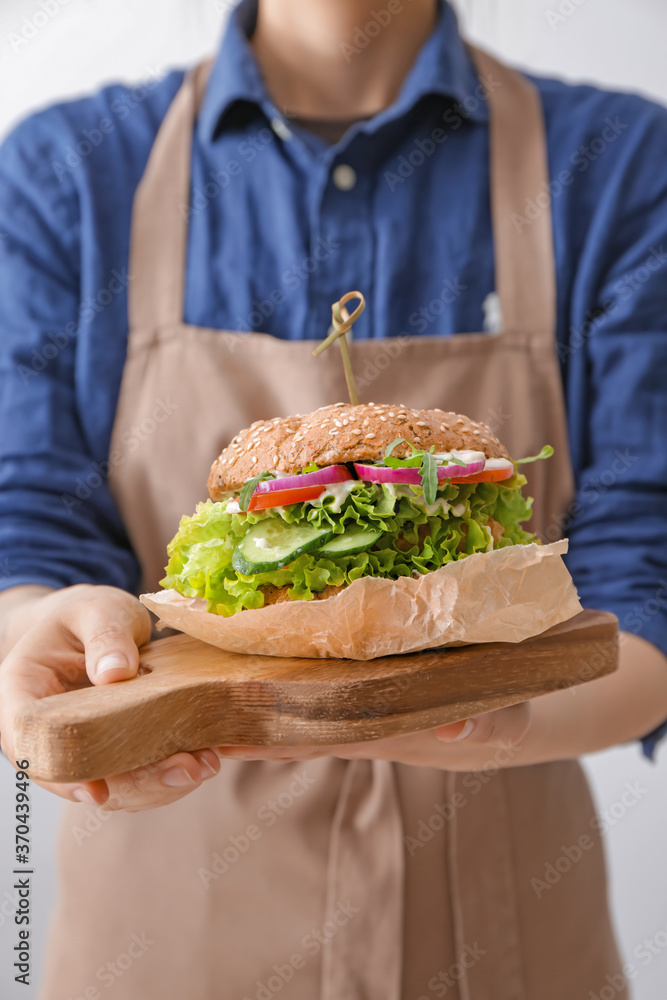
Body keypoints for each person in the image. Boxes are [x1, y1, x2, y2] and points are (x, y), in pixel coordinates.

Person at [0, 0, 666, 997]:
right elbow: (30, 525)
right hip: (170, 931)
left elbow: (644, 574)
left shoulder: (615, 162)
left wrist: (504, 722)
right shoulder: (68, 171)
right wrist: (40, 643)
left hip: (507, 933)